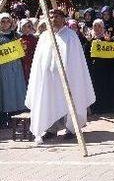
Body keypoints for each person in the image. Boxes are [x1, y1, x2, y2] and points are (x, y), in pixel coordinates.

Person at [25, 9, 95, 145]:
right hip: (49, 80)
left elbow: (76, 61)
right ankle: (51, 129)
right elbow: (39, 60)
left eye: (57, 17)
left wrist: (71, 75)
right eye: (51, 17)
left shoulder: (71, 36)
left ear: (63, 19)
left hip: (68, 79)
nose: (54, 19)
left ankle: (71, 128)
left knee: (69, 102)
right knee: (48, 101)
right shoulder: (45, 36)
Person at [0, 13, 28, 121]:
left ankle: (17, 113)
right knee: (5, 90)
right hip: (3, 67)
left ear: (11, 22)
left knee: (17, 88)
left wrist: (23, 46)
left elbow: (23, 49)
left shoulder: (16, 35)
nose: (5, 23)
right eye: (3, 21)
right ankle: (4, 115)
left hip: (16, 66)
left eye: (7, 21)